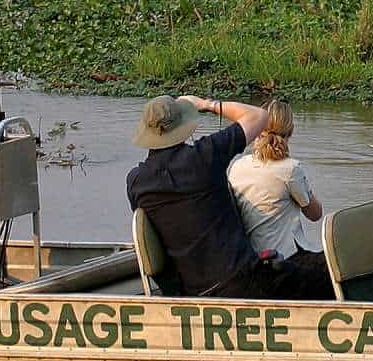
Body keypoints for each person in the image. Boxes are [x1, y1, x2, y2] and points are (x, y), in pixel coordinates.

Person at [125, 95, 332, 300]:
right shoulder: (205, 155)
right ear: (183, 127)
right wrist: (207, 104)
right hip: (246, 281)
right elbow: (259, 116)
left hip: (193, 292)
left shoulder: (136, 182)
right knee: (330, 267)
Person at [226, 101, 327, 277]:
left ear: (257, 129)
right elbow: (315, 215)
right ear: (291, 130)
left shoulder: (237, 165)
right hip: (286, 258)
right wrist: (306, 190)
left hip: (250, 257)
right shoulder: (292, 168)